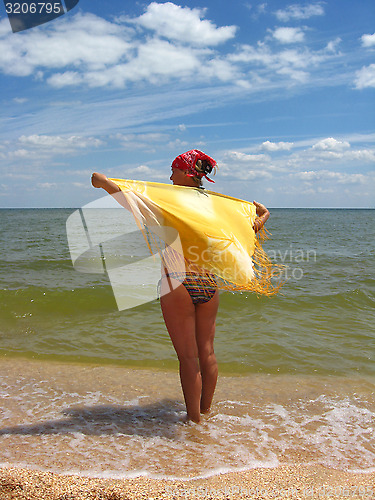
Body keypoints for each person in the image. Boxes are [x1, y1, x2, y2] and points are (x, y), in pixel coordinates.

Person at [91, 150, 270, 423]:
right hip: (209, 285)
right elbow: (242, 233)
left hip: (178, 283)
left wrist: (102, 182)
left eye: (172, 170)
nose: (169, 176)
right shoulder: (215, 207)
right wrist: (263, 216)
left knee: (188, 358)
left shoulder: (170, 204)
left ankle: (194, 423)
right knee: (207, 352)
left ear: (186, 174)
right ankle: (206, 412)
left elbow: (130, 199)